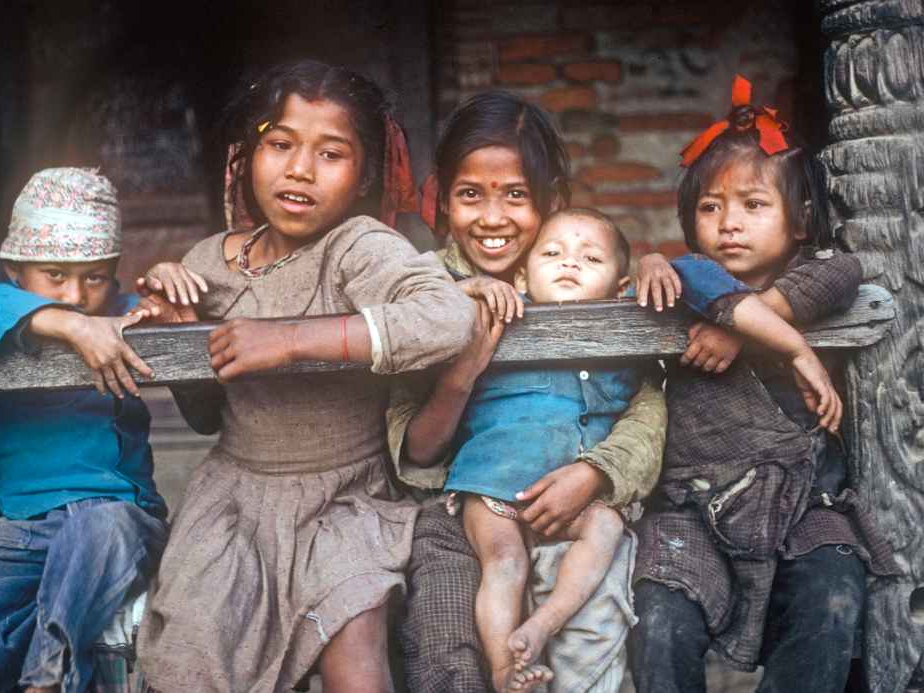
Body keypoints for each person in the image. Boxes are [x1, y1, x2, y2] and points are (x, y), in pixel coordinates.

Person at [129, 60, 475, 693]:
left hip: (348, 497)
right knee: (189, 658)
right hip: (234, 503)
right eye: (280, 145)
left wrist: (290, 340)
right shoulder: (210, 260)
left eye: (331, 153)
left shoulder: (359, 247)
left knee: (355, 641)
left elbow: (446, 318)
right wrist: (181, 337)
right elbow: (207, 415)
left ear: (365, 171)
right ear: (245, 155)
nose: (299, 170)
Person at [389, 91, 666, 693]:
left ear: (552, 200)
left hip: (579, 489)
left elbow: (646, 405)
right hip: (462, 497)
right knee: (446, 641)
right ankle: (503, 668)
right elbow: (418, 454)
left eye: (515, 194)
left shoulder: (574, 272)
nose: (493, 218)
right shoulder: (420, 286)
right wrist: (461, 371)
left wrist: (596, 474)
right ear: (442, 197)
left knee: (613, 593)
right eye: (471, 195)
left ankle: (538, 637)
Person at [629, 76, 898, 693]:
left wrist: (750, 327)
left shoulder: (817, 275)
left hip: (803, 505)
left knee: (831, 601)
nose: (729, 224)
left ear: (800, 221)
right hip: (693, 508)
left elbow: (841, 271)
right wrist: (651, 264)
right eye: (710, 207)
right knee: (659, 618)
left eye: (754, 206)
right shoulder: (681, 281)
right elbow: (689, 273)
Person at [0, 167, 169, 693]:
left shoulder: (125, 314)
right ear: (15, 270)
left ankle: (46, 679)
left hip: (119, 516)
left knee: (94, 534)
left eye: (94, 276)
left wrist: (169, 288)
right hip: (24, 527)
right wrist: (71, 325)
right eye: (54, 275)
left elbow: (165, 315)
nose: (76, 293)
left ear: (113, 272)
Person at [406, 209, 639, 692]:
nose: (569, 263)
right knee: (505, 562)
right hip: (490, 481)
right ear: (519, 276)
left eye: (590, 257)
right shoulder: (500, 314)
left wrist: (658, 262)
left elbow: (676, 293)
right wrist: (471, 290)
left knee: (606, 525)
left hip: (572, 498)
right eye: (552, 254)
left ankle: (543, 625)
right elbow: (415, 298)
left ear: (620, 289)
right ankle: (503, 664)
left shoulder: (629, 324)